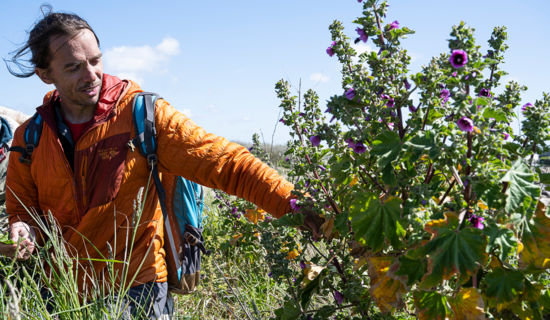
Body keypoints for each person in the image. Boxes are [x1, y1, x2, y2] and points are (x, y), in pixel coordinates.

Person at [3, 8, 321, 319]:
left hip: (137, 290)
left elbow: (228, 163)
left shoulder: (145, 116)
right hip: (59, 295)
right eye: (73, 67)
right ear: (46, 75)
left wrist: (298, 206)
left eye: (96, 60)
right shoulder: (29, 138)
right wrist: (21, 230)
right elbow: (23, 211)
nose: (91, 75)